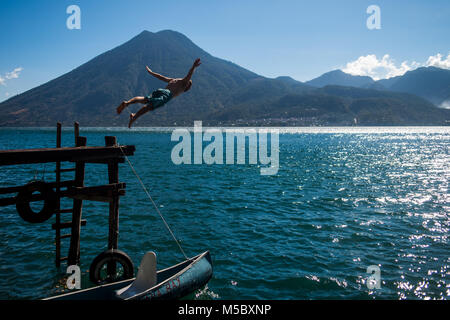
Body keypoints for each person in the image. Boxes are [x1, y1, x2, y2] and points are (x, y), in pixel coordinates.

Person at [117, 58, 201, 128]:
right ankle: (134, 117)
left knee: (145, 99)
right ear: (187, 85)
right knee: (149, 107)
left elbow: (160, 77)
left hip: (161, 90)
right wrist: (194, 66)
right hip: (167, 95)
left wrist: (151, 72)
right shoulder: (184, 83)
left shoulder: (173, 80)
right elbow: (189, 74)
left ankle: (127, 103)